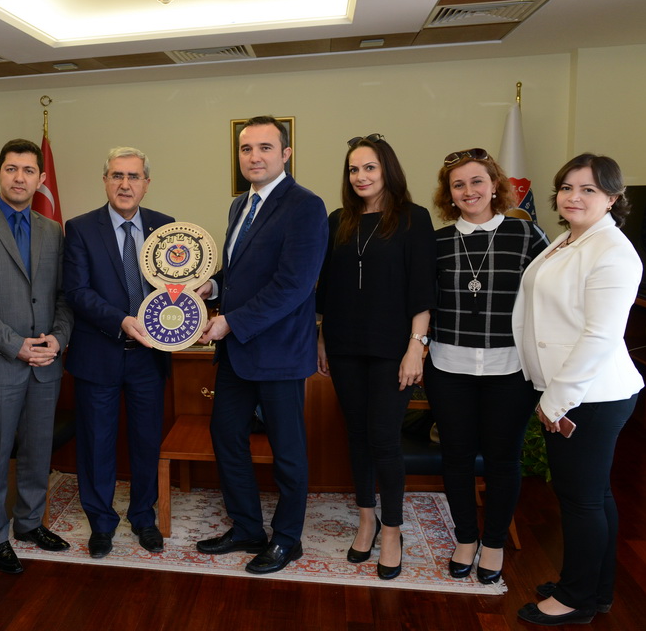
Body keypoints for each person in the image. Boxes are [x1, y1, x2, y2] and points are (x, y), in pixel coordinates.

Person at [194, 116, 328, 574]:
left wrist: (230, 323)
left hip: (279, 353)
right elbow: (239, 273)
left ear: (285, 154)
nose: (254, 156)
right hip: (238, 352)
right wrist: (212, 287)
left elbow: (294, 285)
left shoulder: (305, 205)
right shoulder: (240, 206)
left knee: (287, 451)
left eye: (265, 148)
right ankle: (247, 527)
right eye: (246, 148)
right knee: (226, 436)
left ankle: (287, 539)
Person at [513, 154, 643, 625]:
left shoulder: (613, 251)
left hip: (590, 395)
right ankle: (596, 589)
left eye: (589, 189)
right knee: (594, 495)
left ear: (612, 197)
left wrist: (555, 401)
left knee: (581, 500)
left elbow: (599, 336)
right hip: (574, 390)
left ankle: (575, 599)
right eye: (567, 187)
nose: (574, 197)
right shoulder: (570, 238)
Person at [425, 148, 548, 586]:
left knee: (502, 459)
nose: (469, 190)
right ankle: (465, 538)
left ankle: (493, 543)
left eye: (477, 181)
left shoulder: (526, 234)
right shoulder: (437, 242)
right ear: (449, 194)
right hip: (449, 367)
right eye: (458, 184)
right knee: (456, 457)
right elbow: (422, 301)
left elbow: (548, 296)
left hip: (510, 370)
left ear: (495, 185)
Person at [315, 134, 436, 580]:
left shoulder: (413, 218)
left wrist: (416, 347)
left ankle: (392, 530)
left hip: (393, 348)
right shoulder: (338, 220)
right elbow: (327, 286)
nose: (360, 176)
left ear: (387, 170)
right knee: (358, 435)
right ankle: (366, 519)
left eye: (369, 167)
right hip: (344, 343)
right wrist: (322, 339)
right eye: (353, 169)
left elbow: (422, 288)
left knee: (384, 438)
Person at [0, 138, 74, 574]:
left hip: (46, 364)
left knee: (38, 451)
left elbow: (64, 296)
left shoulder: (52, 230)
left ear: (40, 179)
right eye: (11, 169)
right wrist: (15, 344)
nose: (19, 178)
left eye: (28, 170)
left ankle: (29, 524)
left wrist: (57, 339)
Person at [62, 146, 175, 558]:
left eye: (133, 176)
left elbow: (175, 287)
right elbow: (76, 291)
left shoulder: (166, 227)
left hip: (149, 357)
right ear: (105, 180)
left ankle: (144, 517)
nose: (125, 184)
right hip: (99, 353)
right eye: (117, 175)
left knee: (146, 441)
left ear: (146, 183)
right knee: (96, 443)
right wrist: (121, 320)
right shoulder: (80, 228)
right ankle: (101, 523)